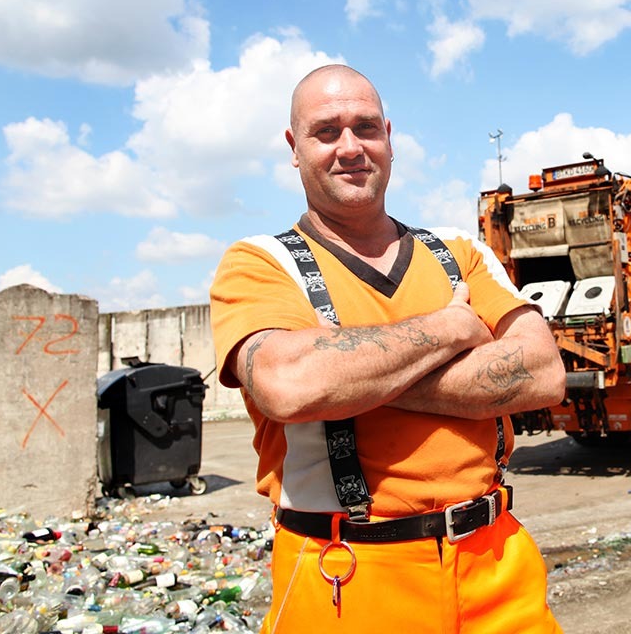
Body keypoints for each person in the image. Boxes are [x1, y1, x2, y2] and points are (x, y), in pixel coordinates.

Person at [209, 64, 566, 633]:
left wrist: (352, 380)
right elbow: (291, 385)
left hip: (497, 561)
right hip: (346, 576)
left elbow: (542, 372)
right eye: (326, 131)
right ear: (293, 148)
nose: (350, 147)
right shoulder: (260, 263)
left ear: (389, 138)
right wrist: (452, 330)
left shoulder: (457, 252)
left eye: (366, 127)